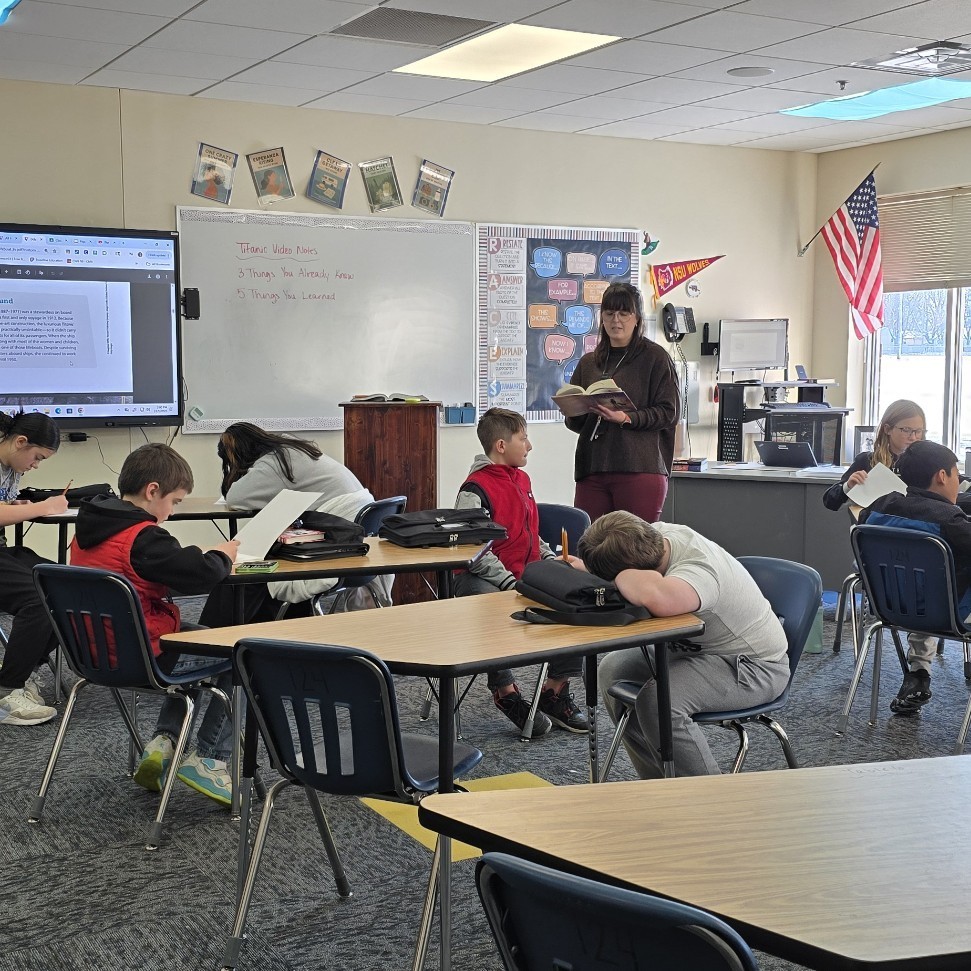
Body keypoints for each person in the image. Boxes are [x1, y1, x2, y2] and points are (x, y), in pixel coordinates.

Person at [70, 443, 241, 804]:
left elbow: (145, 574)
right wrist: (221, 555)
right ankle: (210, 759)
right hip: (143, 655)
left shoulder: (88, 530)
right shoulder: (144, 536)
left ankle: (165, 743)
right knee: (242, 655)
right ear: (152, 491)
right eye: (175, 501)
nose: (172, 512)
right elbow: (201, 575)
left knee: (202, 639)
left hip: (95, 653)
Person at [577, 511, 789, 778]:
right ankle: (660, 783)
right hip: (690, 651)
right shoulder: (652, 538)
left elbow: (657, 598)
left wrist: (617, 578)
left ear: (636, 572)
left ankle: (703, 803)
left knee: (658, 701)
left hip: (752, 667)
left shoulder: (699, 570)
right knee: (609, 672)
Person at [454, 407, 587, 737]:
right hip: (482, 577)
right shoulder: (475, 489)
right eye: (523, 438)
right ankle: (505, 691)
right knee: (489, 601)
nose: (529, 446)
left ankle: (554, 691)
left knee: (575, 593)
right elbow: (477, 550)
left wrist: (551, 558)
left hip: (519, 573)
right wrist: (510, 583)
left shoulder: (522, 478)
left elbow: (529, 531)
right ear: (501, 445)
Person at [208, 422, 387, 616]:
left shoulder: (276, 461)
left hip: (336, 542)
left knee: (251, 567)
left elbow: (236, 497)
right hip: (354, 538)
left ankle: (218, 629)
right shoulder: (294, 449)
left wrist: (235, 474)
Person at [859, 439, 971, 715]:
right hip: (948, 613)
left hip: (890, 609)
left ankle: (918, 674)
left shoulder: (875, 509)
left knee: (926, 582)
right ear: (942, 476)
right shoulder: (949, 519)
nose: (959, 482)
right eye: (958, 475)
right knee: (941, 585)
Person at [564, 282, 680, 524]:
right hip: (592, 467)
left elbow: (670, 412)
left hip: (639, 467)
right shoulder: (589, 362)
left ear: (636, 318)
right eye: (609, 313)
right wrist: (574, 410)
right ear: (602, 318)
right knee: (591, 545)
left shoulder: (656, 358)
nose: (615, 320)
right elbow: (577, 424)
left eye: (623, 313)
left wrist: (627, 418)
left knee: (633, 549)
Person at [0, 411, 69, 726]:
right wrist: (45, 507)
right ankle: (6, 692)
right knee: (36, 599)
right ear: (20, 442)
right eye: (37, 457)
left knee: (69, 587)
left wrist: (16, 508)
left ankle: (24, 674)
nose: (36, 465)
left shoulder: (10, 466)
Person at [823, 399, 927, 511]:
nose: (913, 437)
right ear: (887, 429)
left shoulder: (926, 464)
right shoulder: (867, 460)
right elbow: (830, 501)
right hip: (875, 525)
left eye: (919, 431)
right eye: (906, 430)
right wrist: (847, 486)